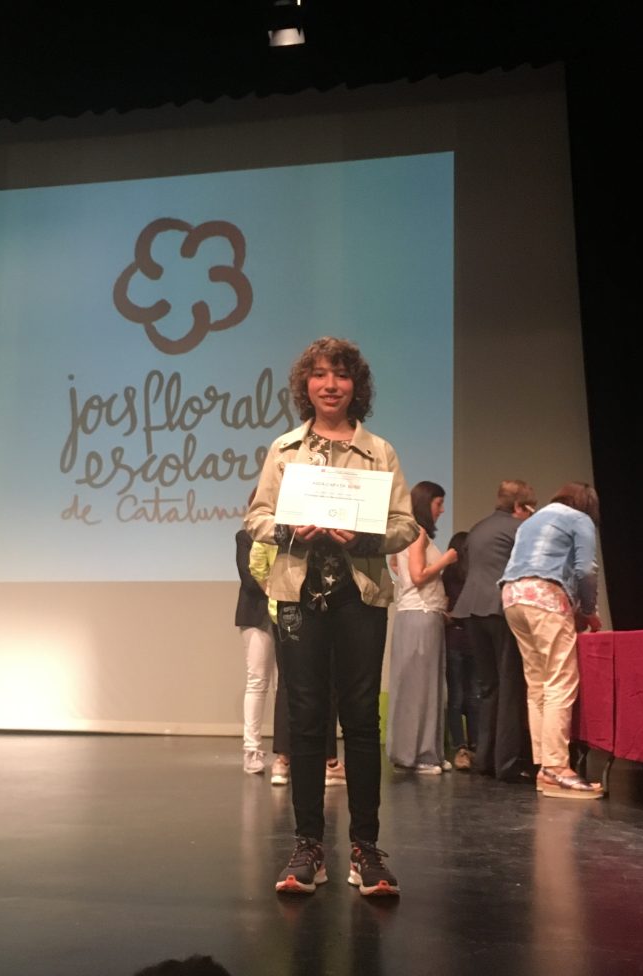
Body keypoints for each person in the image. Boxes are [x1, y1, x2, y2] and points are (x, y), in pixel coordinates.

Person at [246, 336, 417, 897]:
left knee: (362, 719)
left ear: (355, 385)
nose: (330, 385)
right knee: (305, 718)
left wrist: (364, 536)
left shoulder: (379, 451)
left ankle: (366, 848)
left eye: (341, 375)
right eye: (319, 374)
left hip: (359, 597)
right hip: (299, 596)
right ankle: (309, 846)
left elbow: (406, 525)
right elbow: (256, 517)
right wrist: (290, 528)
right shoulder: (285, 448)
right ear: (306, 384)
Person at [500, 482, 603, 799]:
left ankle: (545, 767)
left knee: (538, 684)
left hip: (512, 596)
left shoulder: (531, 521)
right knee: (560, 680)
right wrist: (589, 610)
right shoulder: (579, 518)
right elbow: (585, 569)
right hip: (545, 595)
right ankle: (557, 767)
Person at [451, 480, 537, 782]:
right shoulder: (520, 529)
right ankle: (508, 764)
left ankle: (485, 759)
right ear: (519, 507)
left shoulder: (477, 529)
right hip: (500, 609)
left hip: (471, 611)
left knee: (488, 687)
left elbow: (467, 570)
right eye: (531, 508)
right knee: (510, 686)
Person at [248, 539, 346, 788]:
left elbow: (257, 562)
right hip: (316, 607)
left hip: (284, 609)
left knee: (288, 683)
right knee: (327, 682)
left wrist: (272, 590)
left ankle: (283, 761)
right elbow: (256, 562)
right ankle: (329, 762)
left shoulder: (273, 525)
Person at [387, 482, 457, 775]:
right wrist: (447, 559)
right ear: (427, 503)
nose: (442, 510)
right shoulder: (418, 533)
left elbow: (395, 565)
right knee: (421, 687)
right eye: (438, 503)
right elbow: (417, 575)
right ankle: (420, 755)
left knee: (418, 685)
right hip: (421, 614)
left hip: (414, 614)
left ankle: (420, 753)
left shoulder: (407, 533)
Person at [234, 519, 277, 775]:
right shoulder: (245, 537)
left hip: (287, 616)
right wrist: (279, 589)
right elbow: (249, 578)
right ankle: (251, 750)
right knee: (257, 681)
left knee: (284, 686)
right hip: (256, 615)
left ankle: (286, 753)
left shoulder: (288, 535)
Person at [442, 530, 479, 771]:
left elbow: (445, 609)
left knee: (456, 698)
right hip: (470, 641)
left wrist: (452, 617)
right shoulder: (473, 578)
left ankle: (461, 748)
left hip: (454, 641)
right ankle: (474, 747)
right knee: (472, 697)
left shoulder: (447, 577)